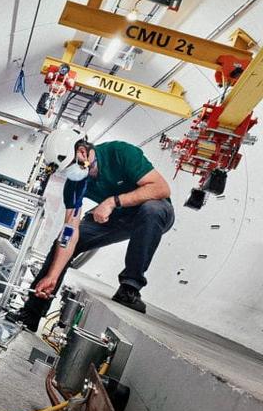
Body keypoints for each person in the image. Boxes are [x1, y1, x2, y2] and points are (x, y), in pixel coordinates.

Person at [14, 126, 175, 331]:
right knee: (64, 240)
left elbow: (161, 188)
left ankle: (130, 288)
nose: (70, 174)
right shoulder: (75, 183)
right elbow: (69, 232)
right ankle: (32, 311)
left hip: (154, 211)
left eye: (70, 166)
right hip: (116, 220)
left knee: (151, 210)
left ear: (82, 151)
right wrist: (52, 276)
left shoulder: (120, 152)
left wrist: (112, 202)